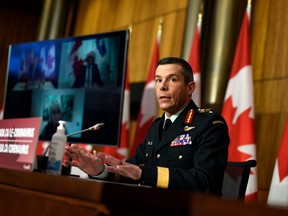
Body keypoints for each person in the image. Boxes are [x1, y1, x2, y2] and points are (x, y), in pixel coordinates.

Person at [64, 57, 230, 195]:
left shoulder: (209, 124)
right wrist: (100, 170)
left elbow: (205, 181)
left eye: (172, 79)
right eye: (158, 80)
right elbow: (130, 171)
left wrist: (143, 173)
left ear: (190, 88)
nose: (162, 86)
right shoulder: (157, 126)